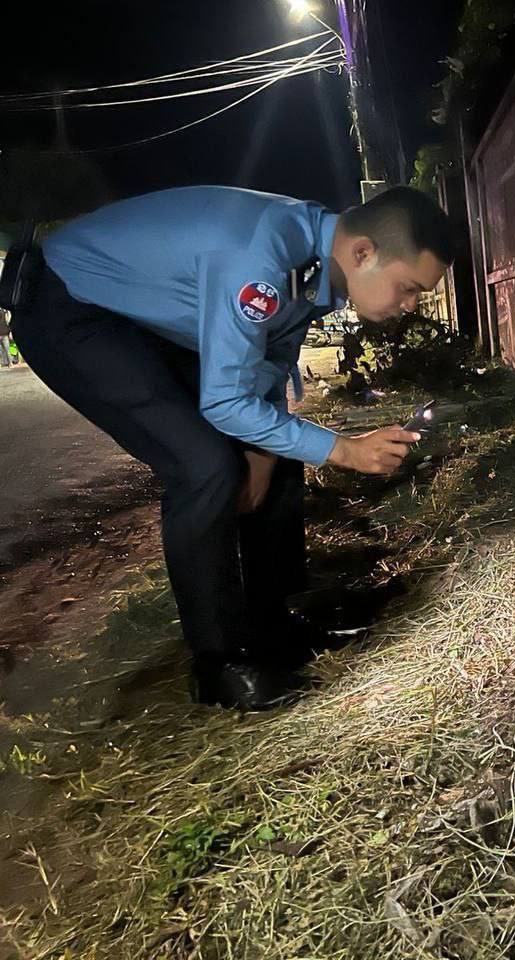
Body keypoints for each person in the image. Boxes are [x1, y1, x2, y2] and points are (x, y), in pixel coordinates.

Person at [9, 185, 453, 710]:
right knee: (205, 465)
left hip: (137, 322)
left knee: (279, 447)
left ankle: (271, 624)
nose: (409, 306)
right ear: (363, 253)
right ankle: (219, 666)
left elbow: (265, 362)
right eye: (408, 288)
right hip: (69, 308)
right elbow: (225, 402)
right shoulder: (262, 256)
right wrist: (345, 450)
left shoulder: (316, 262)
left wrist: (265, 454)